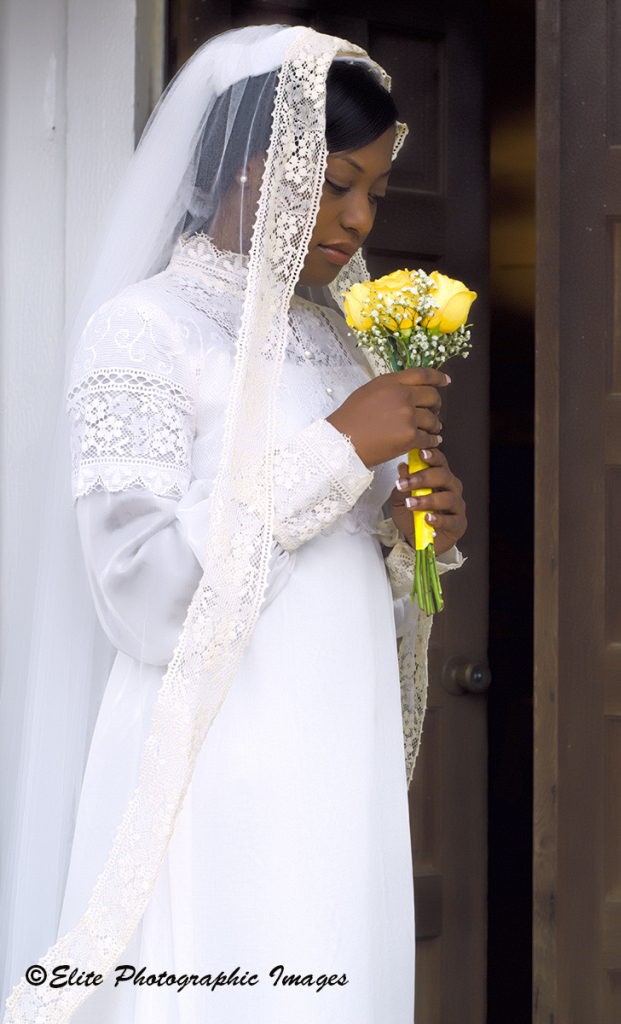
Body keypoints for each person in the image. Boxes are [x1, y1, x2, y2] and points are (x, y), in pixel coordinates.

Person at [1, 25, 466, 1024]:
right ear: (250, 167)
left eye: (375, 192)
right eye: (337, 180)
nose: (356, 217)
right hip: (220, 763)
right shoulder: (147, 328)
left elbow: (332, 557)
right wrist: (340, 448)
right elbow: (145, 595)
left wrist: (408, 533)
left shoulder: (333, 337)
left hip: (333, 748)